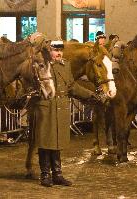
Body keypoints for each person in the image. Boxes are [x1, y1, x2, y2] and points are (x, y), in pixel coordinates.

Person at [30, 38, 102, 187]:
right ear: (49, 51)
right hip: (46, 107)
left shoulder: (66, 65)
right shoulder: (43, 65)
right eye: (55, 50)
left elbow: (71, 86)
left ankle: (57, 174)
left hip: (60, 108)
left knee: (56, 142)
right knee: (45, 143)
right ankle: (45, 175)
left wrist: (90, 94)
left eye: (60, 50)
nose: (58, 53)